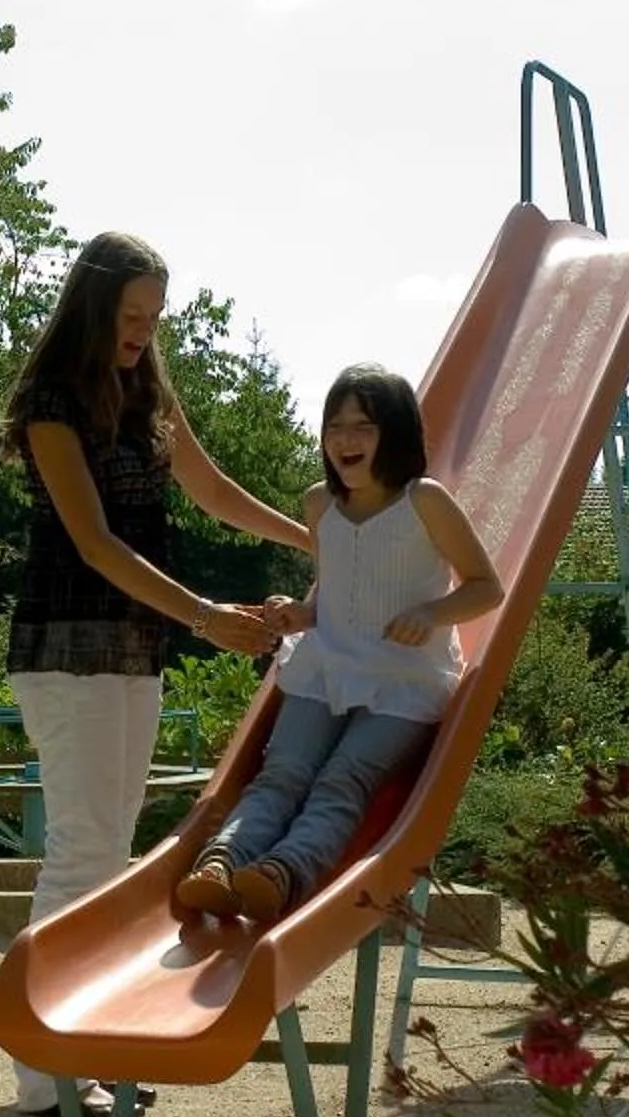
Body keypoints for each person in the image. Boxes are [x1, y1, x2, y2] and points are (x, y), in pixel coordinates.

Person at [0, 231, 312, 1117]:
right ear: (96, 310)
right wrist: (208, 619)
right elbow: (95, 544)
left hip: (133, 649)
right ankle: (46, 1068)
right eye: (133, 315)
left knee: (104, 853)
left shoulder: (147, 391)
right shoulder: (52, 400)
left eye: (155, 317)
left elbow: (210, 490)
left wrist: (312, 537)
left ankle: (72, 1051)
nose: (144, 331)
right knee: (85, 850)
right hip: (69, 649)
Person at [177, 364, 503, 925]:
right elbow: (337, 595)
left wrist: (431, 612)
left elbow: (486, 587)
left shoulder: (424, 501)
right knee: (281, 774)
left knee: (342, 778)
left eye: (363, 427)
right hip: (327, 665)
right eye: (335, 426)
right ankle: (221, 863)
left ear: (394, 433)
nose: (345, 440)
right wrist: (297, 613)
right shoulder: (319, 504)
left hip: (404, 679)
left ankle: (284, 871)